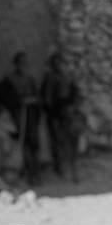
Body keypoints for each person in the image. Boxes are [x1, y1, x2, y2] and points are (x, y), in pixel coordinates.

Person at [0, 51, 42, 185]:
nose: (24, 66)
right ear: (16, 65)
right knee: (21, 144)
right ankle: (22, 172)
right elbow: (1, 95)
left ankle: (35, 173)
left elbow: (37, 97)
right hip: (17, 117)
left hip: (30, 116)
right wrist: (18, 102)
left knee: (34, 144)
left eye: (25, 63)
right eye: (21, 63)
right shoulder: (9, 80)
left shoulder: (30, 79)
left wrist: (32, 101)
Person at [41, 53, 82, 182]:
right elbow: (46, 99)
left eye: (60, 63)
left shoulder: (68, 78)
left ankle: (72, 170)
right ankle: (59, 168)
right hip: (55, 116)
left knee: (71, 144)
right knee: (56, 143)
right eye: (56, 63)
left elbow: (76, 96)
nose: (58, 66)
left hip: (68, 116)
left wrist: (72, 108)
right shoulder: (50, 79)